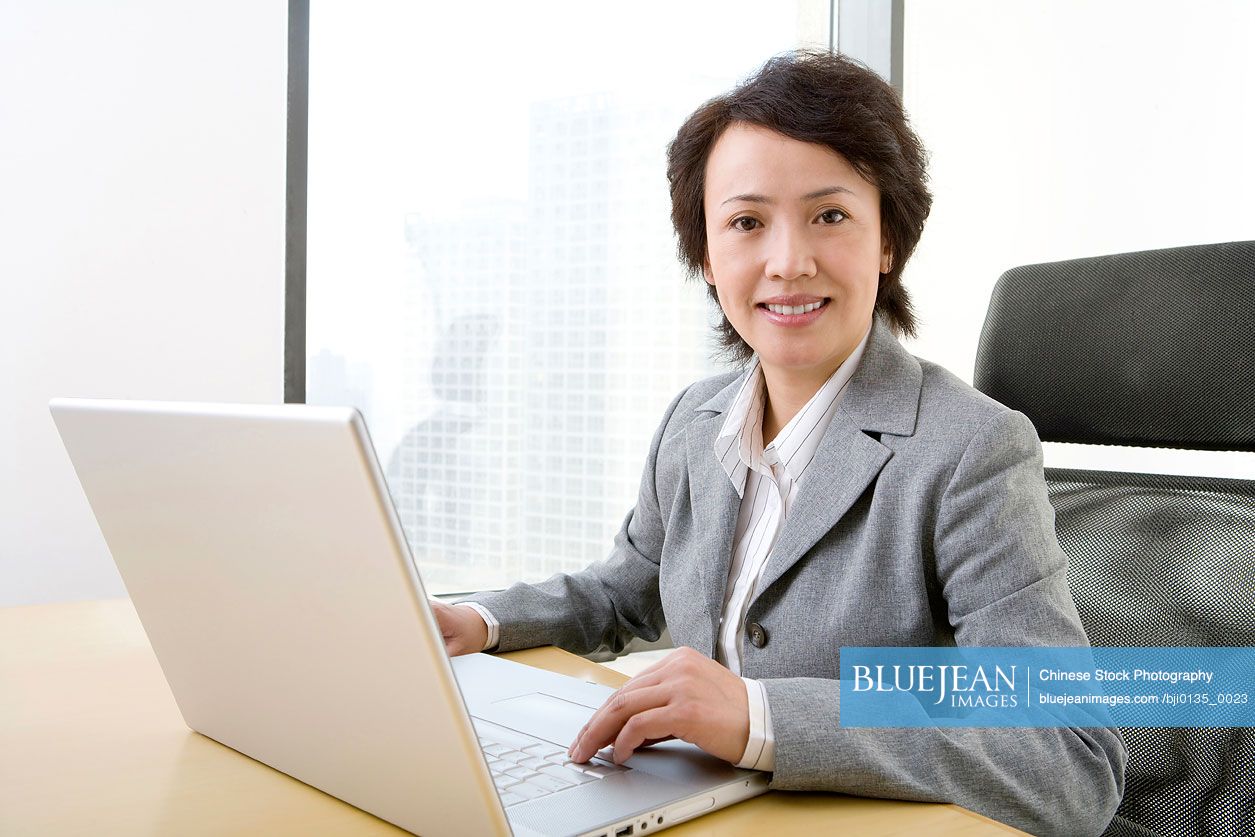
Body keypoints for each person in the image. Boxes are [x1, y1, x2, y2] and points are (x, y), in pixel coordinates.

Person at [431, 50, 1126, 836]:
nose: (788, 262)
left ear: (887, 241)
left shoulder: (971, 450)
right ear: (705, 254)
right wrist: (478, 620)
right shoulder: (694, 421)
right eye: (745, 222)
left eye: (829, 215)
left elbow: (1068, 757)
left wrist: (761, 715)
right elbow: (623, 590)